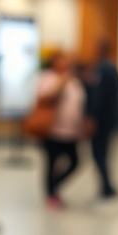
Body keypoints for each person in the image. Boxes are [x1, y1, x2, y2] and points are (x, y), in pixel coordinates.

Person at [35, 50, 86, 208]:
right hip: (53, 130)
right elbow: (44, 98)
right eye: (61, 60)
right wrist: (60, 84)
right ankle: (51, 194)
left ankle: (54, 186)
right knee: (51, 163)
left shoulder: (74, 80)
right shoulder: (47, 78)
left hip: (71, 130)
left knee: (75, 162)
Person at [84, 38, 118, 201]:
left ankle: (107, 188)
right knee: (103, 154)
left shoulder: (102, 68)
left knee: (99, 154)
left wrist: (92, 117)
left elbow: (99, 96)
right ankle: (107, 186)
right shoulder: (112, 67)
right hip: (109, 118)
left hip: (102, 120)